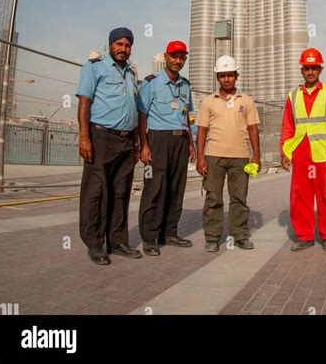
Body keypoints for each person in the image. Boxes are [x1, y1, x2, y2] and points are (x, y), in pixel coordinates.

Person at [76, 27, 141, 265]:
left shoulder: (131, 74)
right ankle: (94, 244)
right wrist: (84, 137)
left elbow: (133, 109)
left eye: (127, 45)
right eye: (119, 44)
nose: (123, 49)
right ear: (111, 45)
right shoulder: (94, 68)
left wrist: (135, 142)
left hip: (126, 140)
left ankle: (117, 241)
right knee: (95, 193)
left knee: (121, 192)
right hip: (101, 137)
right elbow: (85, 101)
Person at [281, 48, 326, 251]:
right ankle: (305, 236)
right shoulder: (293, 96)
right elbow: (288, 126)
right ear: (302, 70)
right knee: (300, 198)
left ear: (320, 69)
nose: (310, 72)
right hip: (301, 155)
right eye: (307, 68)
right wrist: (285, 152)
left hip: (325, 155)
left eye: (314, 68)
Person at [196, 56, 261, 252]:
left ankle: (239, 235)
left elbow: (253, 129)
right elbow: (201, 131)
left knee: (239, 198)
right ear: (217, 77)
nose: (226, 79)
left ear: (236, 76)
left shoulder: (247, 101)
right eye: (222, 75)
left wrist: (256, 156)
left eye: (230, 75)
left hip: (240, 157)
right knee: (213, 198)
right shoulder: (208, 101)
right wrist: (200, 158)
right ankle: (212, 237)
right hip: (213, 156)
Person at [138, 41, 196, 256]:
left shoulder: (185, 85)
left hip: (180, 140)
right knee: (154, 188)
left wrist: (191, 143)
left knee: (176, 188)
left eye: (182, 57)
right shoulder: (151, 83)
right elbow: (142, 115)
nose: (178, 61)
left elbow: (187, 117)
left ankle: (169, 232)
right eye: (174, 56)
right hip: (158, 140)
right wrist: (143, 145)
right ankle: (149, 237)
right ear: (166, 56)